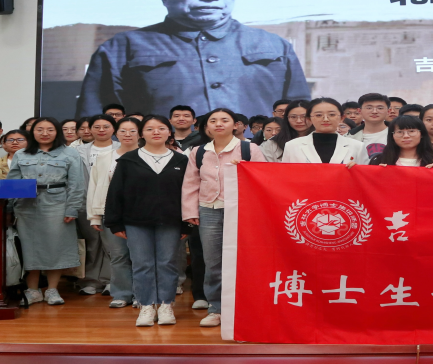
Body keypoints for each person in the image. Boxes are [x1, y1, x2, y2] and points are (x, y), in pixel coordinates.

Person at [77, 0, 311, 119]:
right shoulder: (122, 47)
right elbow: (95, 119)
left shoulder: (274, 45)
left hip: (254, 162)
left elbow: (299, 116)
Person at [182, 108, 267, 328]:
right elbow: (191, 183)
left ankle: (246, 307)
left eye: (224, 120)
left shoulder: (249, 148)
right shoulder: (198, 151)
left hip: (242, 211)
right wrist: (190, 212)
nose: (218, 124)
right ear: (206, 127)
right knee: (213, 262)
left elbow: (263, 178)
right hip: (209, 210)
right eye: (213, 120)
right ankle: (216, 308)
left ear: (235, 125)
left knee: (244, 260)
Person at [106, 115, 191, 326]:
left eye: (161, 128)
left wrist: (186, 223)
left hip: (171, 221)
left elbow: (188, 194)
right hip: (136, 221)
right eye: (150, 128)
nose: (156, 132)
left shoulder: (181, 160)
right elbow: (115, 192)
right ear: (142, 133)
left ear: (169, 132)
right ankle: (146, 305)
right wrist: (115, 222)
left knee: (167, 263)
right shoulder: (128, 160)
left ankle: (166, 305)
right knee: (142, 264)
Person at [7, 117, 85, 306]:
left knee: (55, 246)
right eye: (39, 129)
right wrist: (9, 208)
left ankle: (52, 289)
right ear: (32, 132)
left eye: (50, 129)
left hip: (57, 205)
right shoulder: (21, 154)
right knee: (29, 248)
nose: (44, 133)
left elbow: (77, 184)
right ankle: (33, 290)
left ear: (57, 132)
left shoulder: (70, 153)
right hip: (26, 206)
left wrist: (72, 208)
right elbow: (12, 183)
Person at [87, 117, 141, 309]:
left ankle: (141, 294)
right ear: (116, 133)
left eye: (132, 131)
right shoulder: (104, 158)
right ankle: (122, 294)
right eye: (123, 131)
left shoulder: (147, 156)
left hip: (141, 214)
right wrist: (94, 216)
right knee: (118, 255)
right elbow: (94, 186)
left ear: (140, 134)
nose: (127, 135)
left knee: (141, 256)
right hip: (110, 213)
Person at [73, 114, 120, 296]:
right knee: (91, 244)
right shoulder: (76, 151)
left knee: (113, 244)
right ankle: (90, 281)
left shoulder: (121, 148)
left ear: (113, 129)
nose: (101, 130)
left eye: (106, 126)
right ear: (90, 129)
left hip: (113, 202)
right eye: (97, 127)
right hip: (85, 201)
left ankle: (111, 280)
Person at [281, 98, 368, 165]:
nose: (326, 119)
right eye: (319, 115)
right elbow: (286, 175)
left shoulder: (357, 146)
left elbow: (364, 176)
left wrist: (356, 170)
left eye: (332, 115)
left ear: (342, 118)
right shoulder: (292, 146)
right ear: (309, 119)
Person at [369, 116, 433, 168]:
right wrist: (378, 173)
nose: (406, 136)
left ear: (422, 134)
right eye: (400, 132)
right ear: (392, 136)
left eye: (411, 131)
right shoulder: (379, 161)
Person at [348, 93, 391, 159]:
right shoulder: (349, 137)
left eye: (380, 108)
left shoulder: (397, 133)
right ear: (359, 111)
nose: (374, 111)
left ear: (388, 111)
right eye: (369, 108)